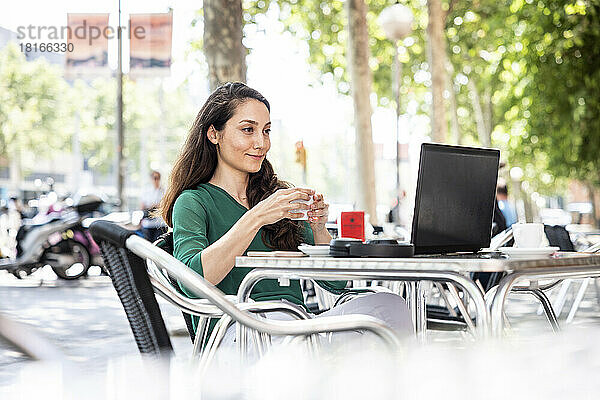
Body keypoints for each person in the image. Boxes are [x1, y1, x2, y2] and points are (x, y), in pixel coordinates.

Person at [159, 82, 413, 347]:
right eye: (248, 130)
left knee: (389, 306)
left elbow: (338, 285)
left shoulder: (275, 197)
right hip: (238, 336)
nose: (261, 143)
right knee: (295, 326)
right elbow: (193, 282)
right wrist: (257, 217)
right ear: (214, 134)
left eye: (266, 131)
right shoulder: (193, 201)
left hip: (294, 330)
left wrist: (319, 230)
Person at [140, 170, 166, 243]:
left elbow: (165, 206)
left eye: (158, 178)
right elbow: (142, 206)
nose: (156, 180)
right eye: (154, 178)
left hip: (160, 224)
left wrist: (155, 206)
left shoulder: (164, 191)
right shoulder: (146, 191)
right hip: (148, 223)